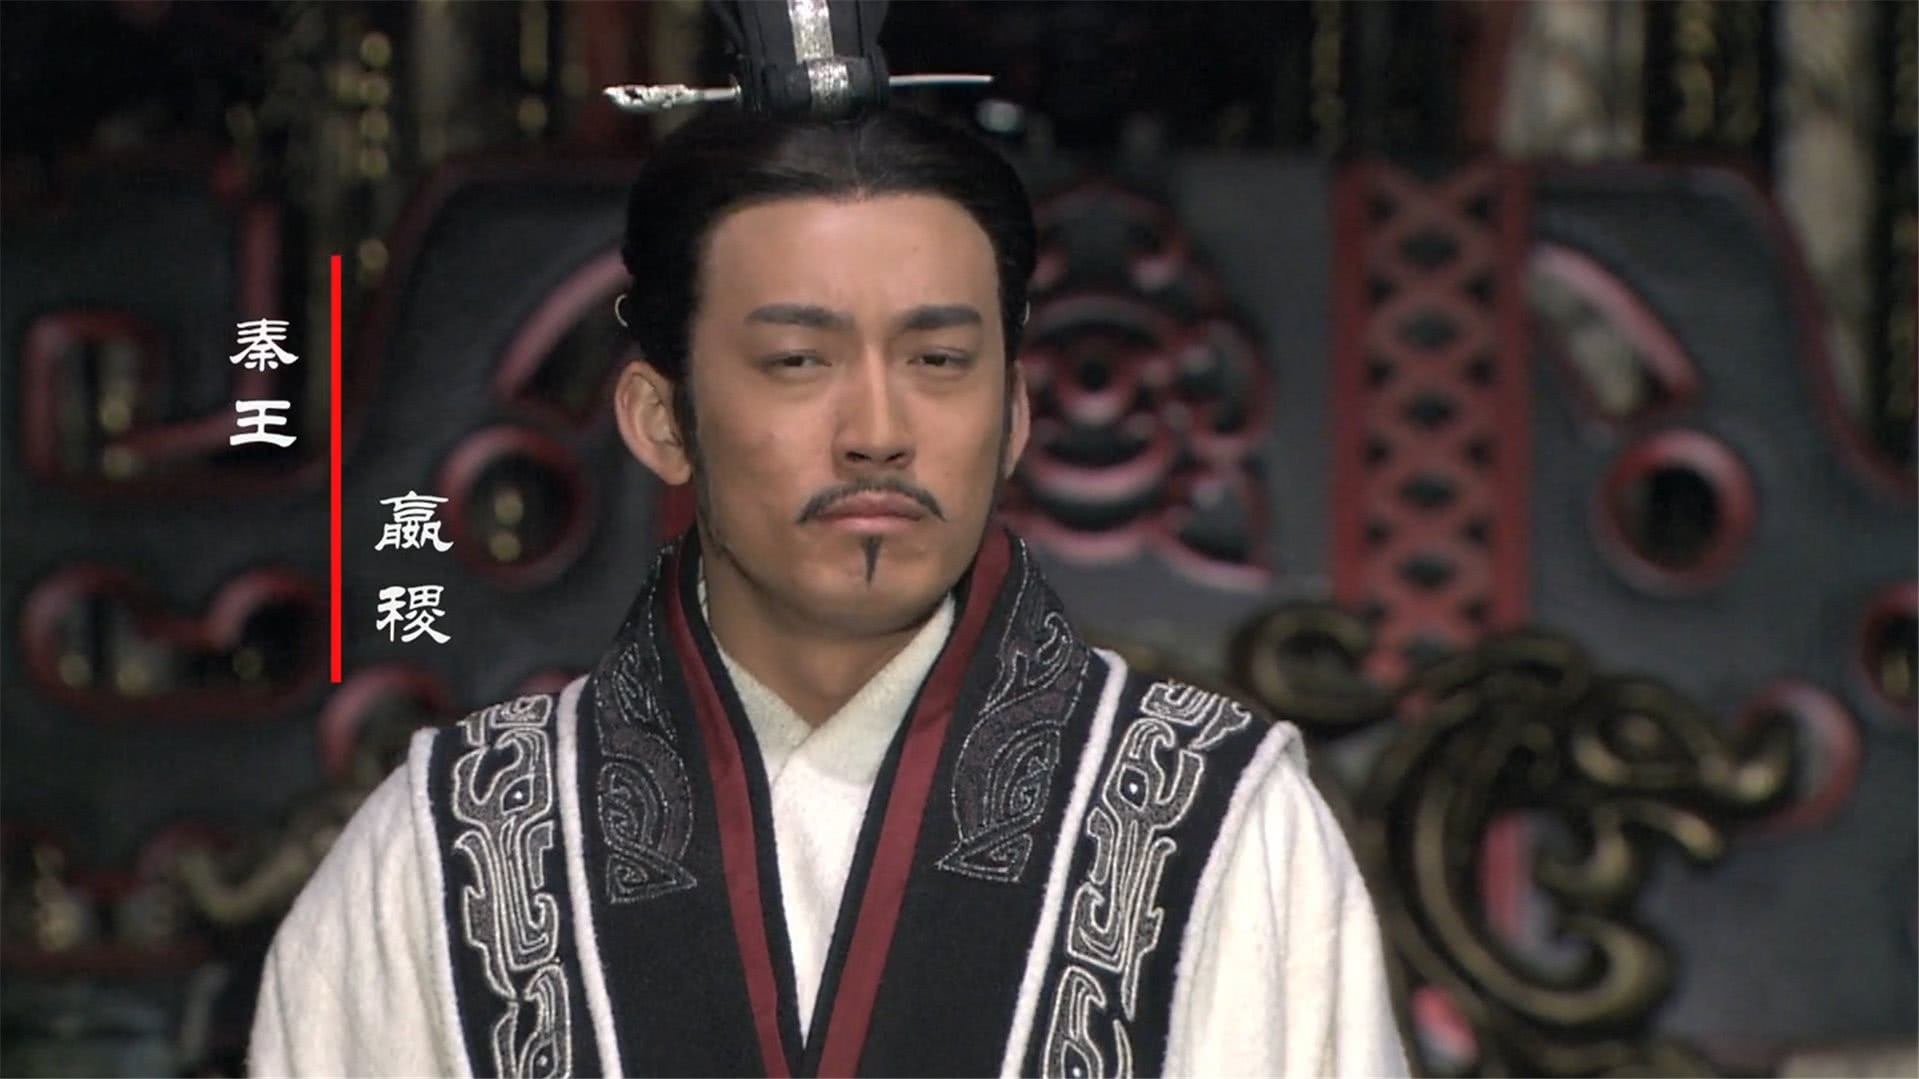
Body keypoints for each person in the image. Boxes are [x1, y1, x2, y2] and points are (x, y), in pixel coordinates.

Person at [249, 17, 1409, 1078]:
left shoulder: (1216, 825)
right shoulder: (451, 848)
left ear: (1012, 416)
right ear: (660, 419)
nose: (876, 431)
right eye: (797, 361)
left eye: (938, 361)